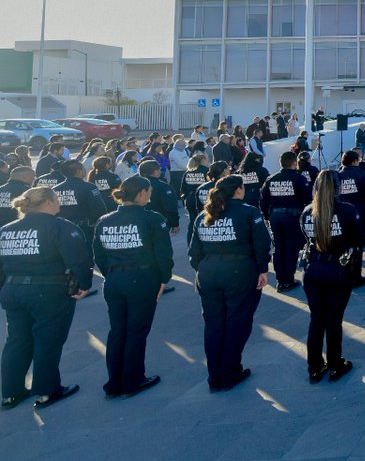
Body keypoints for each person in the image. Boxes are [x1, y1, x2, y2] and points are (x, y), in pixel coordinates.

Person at [0, 185, 93, 410]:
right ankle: (46, 391)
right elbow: (78, 260)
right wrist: (85, 285)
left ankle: (10, 393)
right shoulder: (60, 226)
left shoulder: (7, 229)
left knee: (17, 340)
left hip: (13, 290)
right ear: (48, 202)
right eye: (57, 199)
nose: (60, 203)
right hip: (47, 291)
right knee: (47, 340)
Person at [188, 174, 271, 391]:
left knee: (214, 324)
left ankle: (214, 375)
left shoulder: (203, 215)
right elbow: (261, 243)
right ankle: (230, 371)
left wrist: (204, 268)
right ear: (238, 190)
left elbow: (193, 252)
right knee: (237, 323)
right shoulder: (248, 212)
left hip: (208, 272)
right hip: (239, 272)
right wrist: (263, 268)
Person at [93, 176, 174, 399]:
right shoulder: (151, 219)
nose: (150, 195)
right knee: (137, 330)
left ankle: (114, 381)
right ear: (141, 193)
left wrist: (111, 273)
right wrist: (163, 279)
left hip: (114, 279)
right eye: (148, 191)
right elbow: (163, 254)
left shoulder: (105, 219)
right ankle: (133, 379)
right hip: (142, 277)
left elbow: (98, 255)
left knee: (117, 331)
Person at [300, 170, 364, 382]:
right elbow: (357, 238)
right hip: (337, 270)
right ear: (338, 187)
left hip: (313, 270)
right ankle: (335, 363)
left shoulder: (308, 212)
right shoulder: (347, 210)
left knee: (316, 320)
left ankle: (314, 367)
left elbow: (306, 237)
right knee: (333, 320)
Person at [261, 151, 313, 292]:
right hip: (292, 217)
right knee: (291, 248)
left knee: (279, 247)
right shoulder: (299, 178)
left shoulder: (271, 179)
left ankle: (280, 280)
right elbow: (308, 199)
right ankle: (288, 280)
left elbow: (263, 199)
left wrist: (266, 216)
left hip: (275, 217)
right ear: (294, 162)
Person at [336, 151, 365, 288]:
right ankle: (355, 276)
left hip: (340, 214)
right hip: (360, 213)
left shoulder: (337, 175)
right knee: (357, 245)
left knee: (342, 243)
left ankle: (343, 273)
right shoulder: (363, 174)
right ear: (354, 161)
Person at [52, 160, 109, 258]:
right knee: (86, 255)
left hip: (62, 228)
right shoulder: (89, 187)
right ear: (79, 171)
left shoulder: (55, 189)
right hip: (85, 228)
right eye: (83, 168)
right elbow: (99, 209)